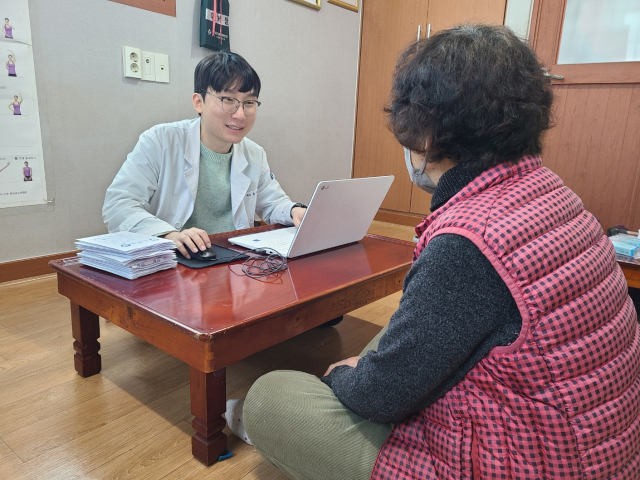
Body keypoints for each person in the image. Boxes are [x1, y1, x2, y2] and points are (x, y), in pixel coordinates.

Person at [241, 25, 640, 479]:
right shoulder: (555, 193)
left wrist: (345, 378)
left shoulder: (468, 242)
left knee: (271, 398)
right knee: (390, 338)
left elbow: (380, 397)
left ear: (427, 131)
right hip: (599, 442)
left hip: (527, 457)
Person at [103, 52, 307, 259]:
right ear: (198, 102)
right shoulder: (160, 140)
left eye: (249, 102)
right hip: (174, 261)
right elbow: (119, 204)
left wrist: (294, 210)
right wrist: (168, 234)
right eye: (228, 100)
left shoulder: (254, 153)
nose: (240, 114)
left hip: (235, 259)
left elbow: (272, 203)